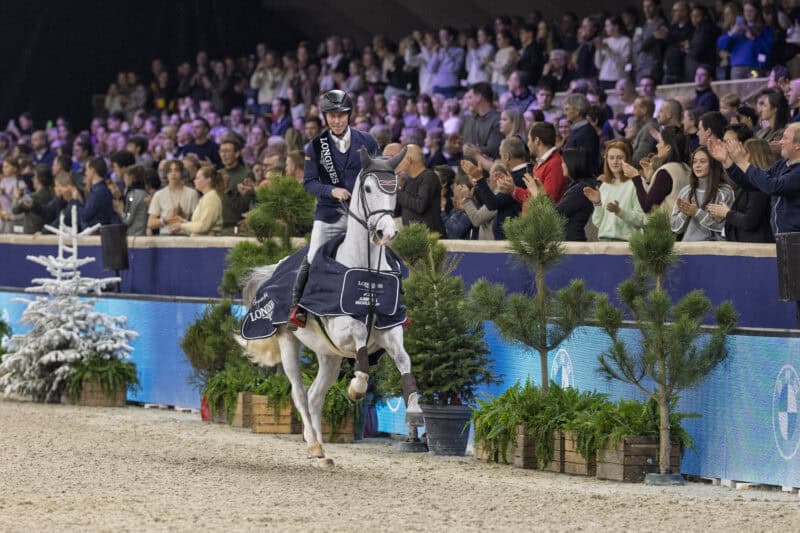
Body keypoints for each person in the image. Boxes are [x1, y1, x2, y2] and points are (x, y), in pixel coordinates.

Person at [289, 90, 380, 329]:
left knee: (382, 249)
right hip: (329, 214)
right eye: (331, 116)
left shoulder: (368, 141)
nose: (336, 120)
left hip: (360, 215)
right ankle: (298, 306)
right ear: (325, 117)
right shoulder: (315, 146)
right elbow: (309, 183)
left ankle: (392, 305)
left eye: (340, 115)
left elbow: (378, 173)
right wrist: (332, 191)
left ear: (349, 115)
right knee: (312, 254)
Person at [708, 122, 800, 234]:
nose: (780, 142)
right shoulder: (781, 164)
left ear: (797, 145)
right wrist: (727, 162)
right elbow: (752, 183)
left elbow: (773, 186)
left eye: (785, 138)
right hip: (782, 237)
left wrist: (742, 162)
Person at [706, 137, 773, 242]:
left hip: (756, 250)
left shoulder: (760, 187)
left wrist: (727, 213)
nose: (737, 156)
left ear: (753, 156)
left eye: (742, 152)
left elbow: (750, 222)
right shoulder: (751, 183)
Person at [582, 140, 645, 241]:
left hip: (628, 244)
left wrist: (619, 211)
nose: (615, 161)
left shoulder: (636, 183)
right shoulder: (605, 185)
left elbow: (641, 219)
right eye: (611, 158)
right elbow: (598, 222)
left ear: (627, 160)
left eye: (619, 158)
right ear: (606, 160)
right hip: (604, 242)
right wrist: (597, 204)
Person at [670, 146, 734, 240]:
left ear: (713, 164)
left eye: (702, 161)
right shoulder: (685, 191)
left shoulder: (725, 192)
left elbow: (725, 228)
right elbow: (675, 228)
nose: (697, 165)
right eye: (694, 162)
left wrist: (697, 213)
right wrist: (685, 212)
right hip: (688, 248)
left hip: (714, 250)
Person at [633, 125, 691, 214]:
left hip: (665, 226)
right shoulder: (686, 168)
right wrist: (649, 179)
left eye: (659, 142)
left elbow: (647, 207)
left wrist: (636, 177)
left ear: (668, 147)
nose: (657, 146)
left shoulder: (666, 172)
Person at [396, 144, 445, 237]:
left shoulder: (429, 177)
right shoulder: (407, 180)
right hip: (413, 238)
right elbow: (398, 209)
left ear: (408, 160)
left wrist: (396, 192)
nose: (398, 163)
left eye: (400, 159)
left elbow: (420, 205)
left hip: (430, 239)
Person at [168, 165, 223, 236]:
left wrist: (181, 225)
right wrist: (183, 222)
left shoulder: (211, 198)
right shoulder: (206, 197)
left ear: (208, 180)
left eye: (198, 178)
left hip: (207, 244)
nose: (194, 181)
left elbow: (203, 226)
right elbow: (199, 223)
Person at [114, 165, 149, 236]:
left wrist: (121, 212)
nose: (124, 179)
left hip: (134, 236)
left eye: (125, 176)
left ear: (131, 177)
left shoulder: (132, 196)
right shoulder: (145, 194)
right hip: (143, 233)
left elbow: (127, 220)